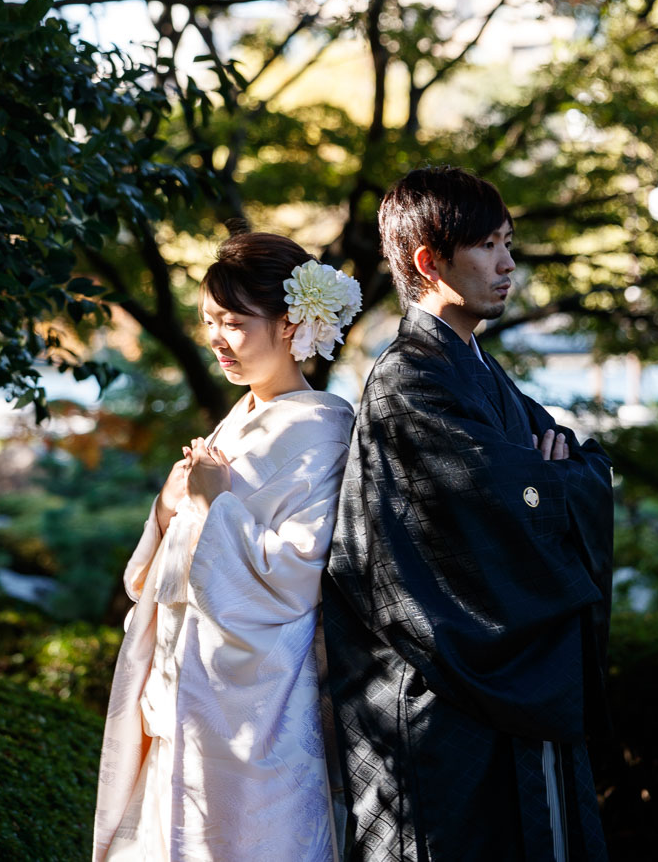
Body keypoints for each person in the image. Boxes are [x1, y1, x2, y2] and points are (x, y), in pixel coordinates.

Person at [324, 166, 614, 862]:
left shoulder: (479, 370)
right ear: (429, 262)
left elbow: (585, 470)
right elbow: (501, 500)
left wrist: (553, 476)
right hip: (440, 694)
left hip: (495, 679)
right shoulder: (407, 380)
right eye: (488, 245)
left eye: (508, 242)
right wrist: (548, 475)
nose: (508, 263)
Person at [92, 228, 360, 862]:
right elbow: (163, 568)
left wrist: (213, 502)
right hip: (184, 680)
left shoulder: (324, 431)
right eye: (211, 320)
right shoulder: (237, 417)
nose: (217, 338)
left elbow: (296, 576)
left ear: (293, 326)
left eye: (235, 323)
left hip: (254, 699)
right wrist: (166, 505)